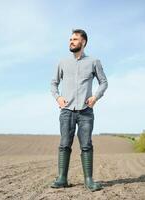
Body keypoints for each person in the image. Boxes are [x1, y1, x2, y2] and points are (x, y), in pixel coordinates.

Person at [50, 29, 108, 192]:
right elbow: (53, 83)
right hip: (67, 110)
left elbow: (103, 82)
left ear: (83, 42)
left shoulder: (94, 61)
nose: (71, 41)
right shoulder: (62, 62)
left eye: (75, 39)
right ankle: (62, 178)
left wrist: (95, 97)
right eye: (70, 39)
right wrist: (58, 98)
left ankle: (89, 181)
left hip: (85, 112)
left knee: (86, 145)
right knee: (64, 145)